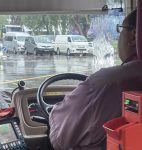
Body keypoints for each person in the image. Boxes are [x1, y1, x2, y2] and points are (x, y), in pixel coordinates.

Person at [49, 9, 142, 150]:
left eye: (121, 30)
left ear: (134, 35)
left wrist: (53, 112)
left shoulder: (102, 84)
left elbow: (60, 139)